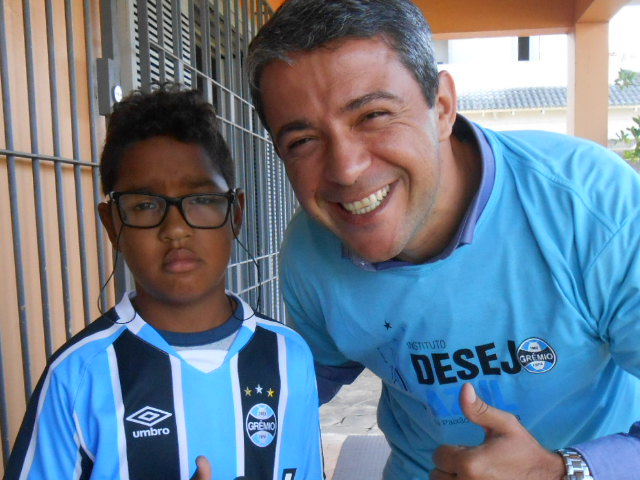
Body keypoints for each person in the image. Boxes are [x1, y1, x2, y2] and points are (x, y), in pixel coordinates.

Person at [247, 0, 640, 478]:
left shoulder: (592, 209)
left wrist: (563, 469)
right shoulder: (310, 254)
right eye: (302, 141)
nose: (346, 170)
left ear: (442, 107)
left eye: (373, 115)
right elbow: (314, 376)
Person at [5, 84, 323, 480]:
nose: (175, 229)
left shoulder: (289, 356)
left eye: (202, 200)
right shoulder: (78, 376)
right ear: (112, 224)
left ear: (235, 213)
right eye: (145, 205)